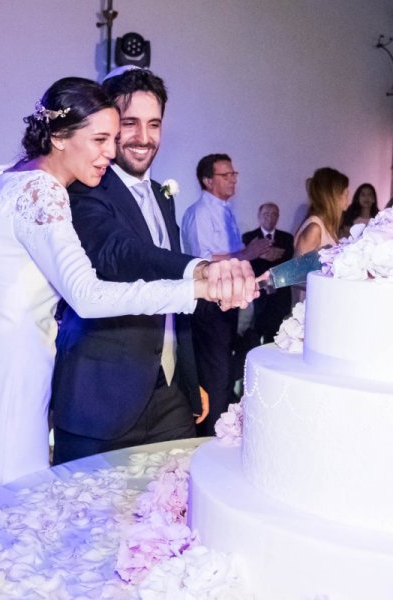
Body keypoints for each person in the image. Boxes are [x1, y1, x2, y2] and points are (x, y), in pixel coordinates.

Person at [0, 78, 256, 515]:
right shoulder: (41, 191)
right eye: (100, 138)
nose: (111, 151)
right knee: (7, 530)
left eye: (113, 138)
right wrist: (197, 287)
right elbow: (89, 295)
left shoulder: (12, 176)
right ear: (57, 136)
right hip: (6, 391)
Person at [51, 68, 226, 464]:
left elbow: (172, 310)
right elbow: (117, 253)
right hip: (102, 399)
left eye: (154, 124)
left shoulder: (164, 197)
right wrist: (197, 270)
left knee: (172, 513)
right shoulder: (84, 189)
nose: (144, 138)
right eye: (129, 124)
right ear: (110, 124)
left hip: (169, 400)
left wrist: (187, 377)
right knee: (90, 522)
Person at [181, 154, 269, 436]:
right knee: (215, 374)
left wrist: (249, 254)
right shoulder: (200, 213)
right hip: (207, 301)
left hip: (226, 300)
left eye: (234, 174)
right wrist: (247, 253)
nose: (233, 179)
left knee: (225, 372)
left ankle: (219, 431)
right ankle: (207, 439)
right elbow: (202, 259)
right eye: (225, 175)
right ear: (208, 180)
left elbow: (231, 253)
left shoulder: (225, 210)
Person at [293, 167, 350, 302]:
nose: (349, 198)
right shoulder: (315, 228)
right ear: (334, 196)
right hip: (311, 307)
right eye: (346, 193)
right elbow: (296, 276)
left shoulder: (328, 228)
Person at [242, 202, 293, 344]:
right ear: (259, 216)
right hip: (257, 295)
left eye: (274, 214)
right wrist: (263, 254)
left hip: (279, 296)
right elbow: (248, 262)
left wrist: (262, 254)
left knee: (275, 337)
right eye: (266, 214)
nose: (270, 218)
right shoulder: (249, 238)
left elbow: (286, 260)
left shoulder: (287, 238)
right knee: (252, 336)